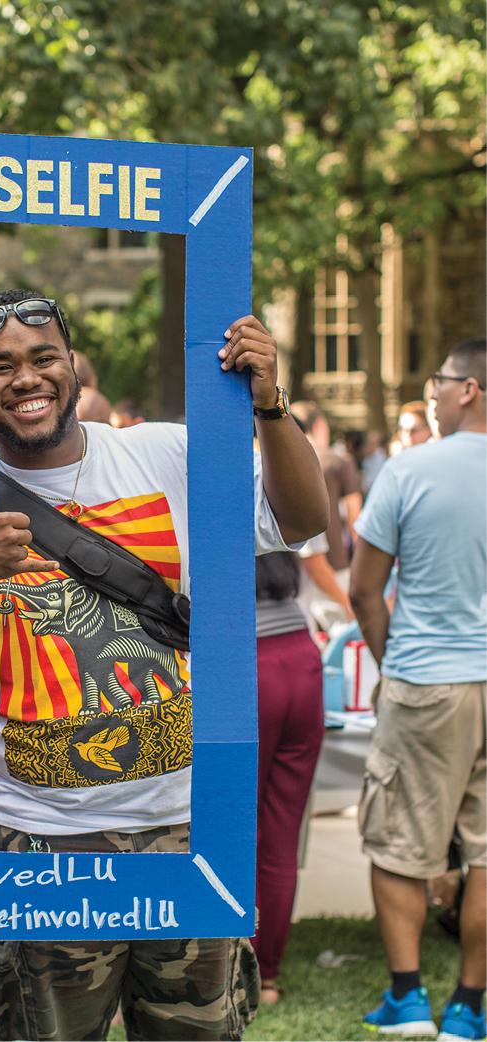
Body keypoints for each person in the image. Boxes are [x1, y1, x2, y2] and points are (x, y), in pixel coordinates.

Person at [0, 290, 329, 1041]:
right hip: (31, 839)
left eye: (43, 358)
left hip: (183, 824)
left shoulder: (164, 454)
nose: (25, 378)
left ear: (72, 366)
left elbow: (301, 520)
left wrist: (270, 406)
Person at [350, 337, 486, 1042]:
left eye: (439, 381)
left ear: (470, 390)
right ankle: (470, 1005)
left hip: (428, 677)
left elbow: (364, 589)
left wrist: (390, 665)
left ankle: (408, 999)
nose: (430, 393)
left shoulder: (411, 469)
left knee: (398, 842)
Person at [252, 551, 324, 1004]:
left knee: (234, 827)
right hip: (301, 652)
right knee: (282, 833)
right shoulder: (279, 490)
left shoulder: (201, 493)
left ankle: (228, 963)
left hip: (248, 659)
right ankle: (267, 976)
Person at [290, 400, 362, 628]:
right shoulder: (338, 461)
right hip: (334, 568)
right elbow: (355, 521)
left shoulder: (282, 463)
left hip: (290, 577)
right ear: (320, 425)